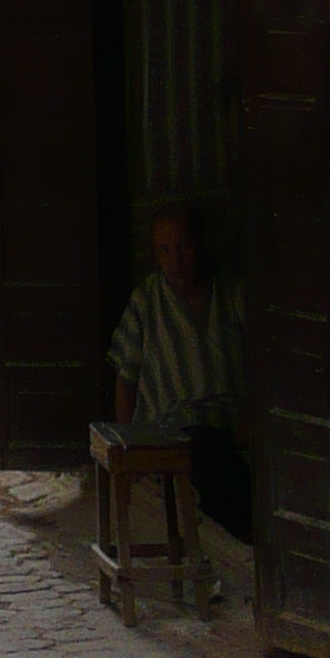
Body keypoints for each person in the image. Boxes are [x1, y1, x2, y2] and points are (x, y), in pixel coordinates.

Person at [108, 200, 253, 541]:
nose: (176, 261)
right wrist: (128, 445)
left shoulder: (230, 291)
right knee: (208, 462)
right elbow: (125, 378)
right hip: (177, 427)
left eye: (184, 247)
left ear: (199, 244)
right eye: (165, 251)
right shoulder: (146, 301)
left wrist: (253, 416)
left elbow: (263, 360)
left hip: (231, 421)